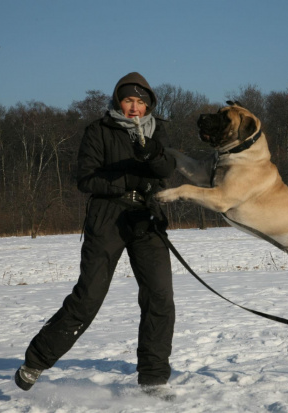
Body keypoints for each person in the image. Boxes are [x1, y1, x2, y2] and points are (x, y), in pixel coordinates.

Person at [15, 72, 177, 396]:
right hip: (108, 217)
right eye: (128, 100)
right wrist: (128, 182)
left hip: (146, 218)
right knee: (88, 298)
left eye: (141, 102)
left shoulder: (158, 132)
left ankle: (154, 378)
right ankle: (36, 360)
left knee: (160, 296)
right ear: (118, 101)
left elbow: (168, 168)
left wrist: (152, 161)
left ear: (149, 105)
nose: (134, 107)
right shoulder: (98, 131)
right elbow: (86, 178)